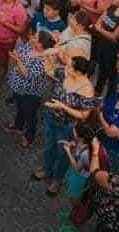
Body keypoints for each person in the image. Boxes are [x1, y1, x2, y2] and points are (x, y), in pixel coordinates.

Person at [33, 55, 99, 197]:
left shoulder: (86, 89)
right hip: (52, 118)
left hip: (68, 126)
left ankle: (57, 180)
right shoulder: (63, 73)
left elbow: (84, 115)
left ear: (79, 72)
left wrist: (62, 106)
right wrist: (48, 55)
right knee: (49, 145)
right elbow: (50, 71)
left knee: (63, 153)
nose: (66, 67)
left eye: (70, 66)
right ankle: (46, 169)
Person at [6, 29, 55, 148]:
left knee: (30, 115)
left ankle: (29, 137)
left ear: (41, 44)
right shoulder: (29, 46)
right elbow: (19, 52)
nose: (32, 37)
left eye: (35, 38)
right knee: (19, 107)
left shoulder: (43, 60)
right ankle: (18, 124)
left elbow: (27, 75)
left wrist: (17, 60)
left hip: (31, 93)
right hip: (19, 87)